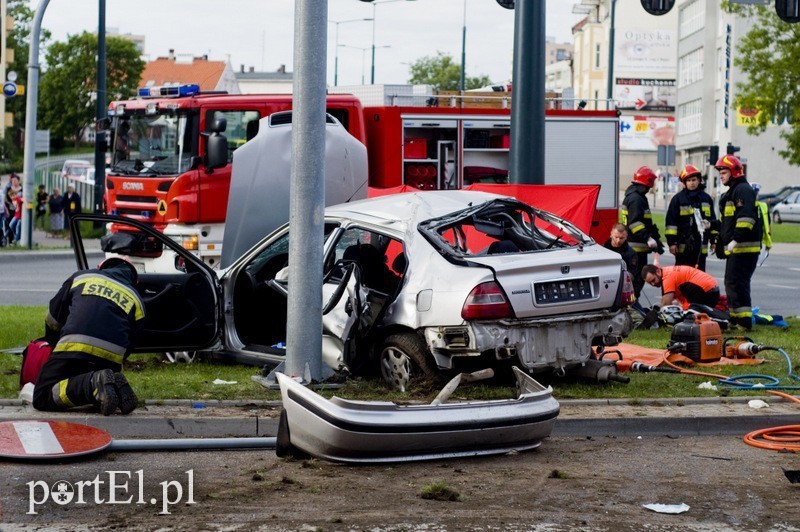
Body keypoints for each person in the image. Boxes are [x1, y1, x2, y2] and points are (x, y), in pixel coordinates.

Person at [33, 257, 145, 415]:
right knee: (99, 390)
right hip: (110, 359)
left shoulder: (81, 277)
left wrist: (54, 344)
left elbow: (53, 317)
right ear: (134, 280)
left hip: (72, 347)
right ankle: (108, 386)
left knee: (42, 396)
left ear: (101, 267)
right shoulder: (136, 299)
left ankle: (94, 383)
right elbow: (131, 343)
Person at [711, 154, 763, 330]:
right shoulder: (733, 192)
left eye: (724, 172)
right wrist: (712, 226)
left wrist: (735, 240)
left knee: (738, 283)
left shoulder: (742, 190)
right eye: (720, 173)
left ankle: (744, 322)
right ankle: (735, 319)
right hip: (737, 248)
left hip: (743, 248)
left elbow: (746, 219)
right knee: (732, 283)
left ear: (734, 172)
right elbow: (729, 223)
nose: (721, 176)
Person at [622, 166, 664, 299]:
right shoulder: (637, 199)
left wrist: (655, 238)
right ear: (648, 181)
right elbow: (635, 223)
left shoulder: (633, 196)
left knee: (634, 282)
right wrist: (648, 238)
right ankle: (633, 310)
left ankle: (633, 308)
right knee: (637, 282)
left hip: (633, 247)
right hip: (636, 249)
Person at [664, 165, 717, 271]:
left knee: (699, 279)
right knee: (682, 278)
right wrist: (672, 243)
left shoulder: (706, 199)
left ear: (699, 180)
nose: (692, 183)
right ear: (684, 182)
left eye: (694, 180)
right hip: (683, 248)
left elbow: (712, 221)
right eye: (688, 180)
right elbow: (671, 223)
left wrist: (714, 240)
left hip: (701, 248)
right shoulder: (677, 199)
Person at [641, 264, 720, 310]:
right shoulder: (667, 271)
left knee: (687, 315)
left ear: (658, 271)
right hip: (711, 288)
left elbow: (665, 304)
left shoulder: (667, 277)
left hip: (706, 291)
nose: (653, 284)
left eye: (653, 280)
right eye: (650, 283)